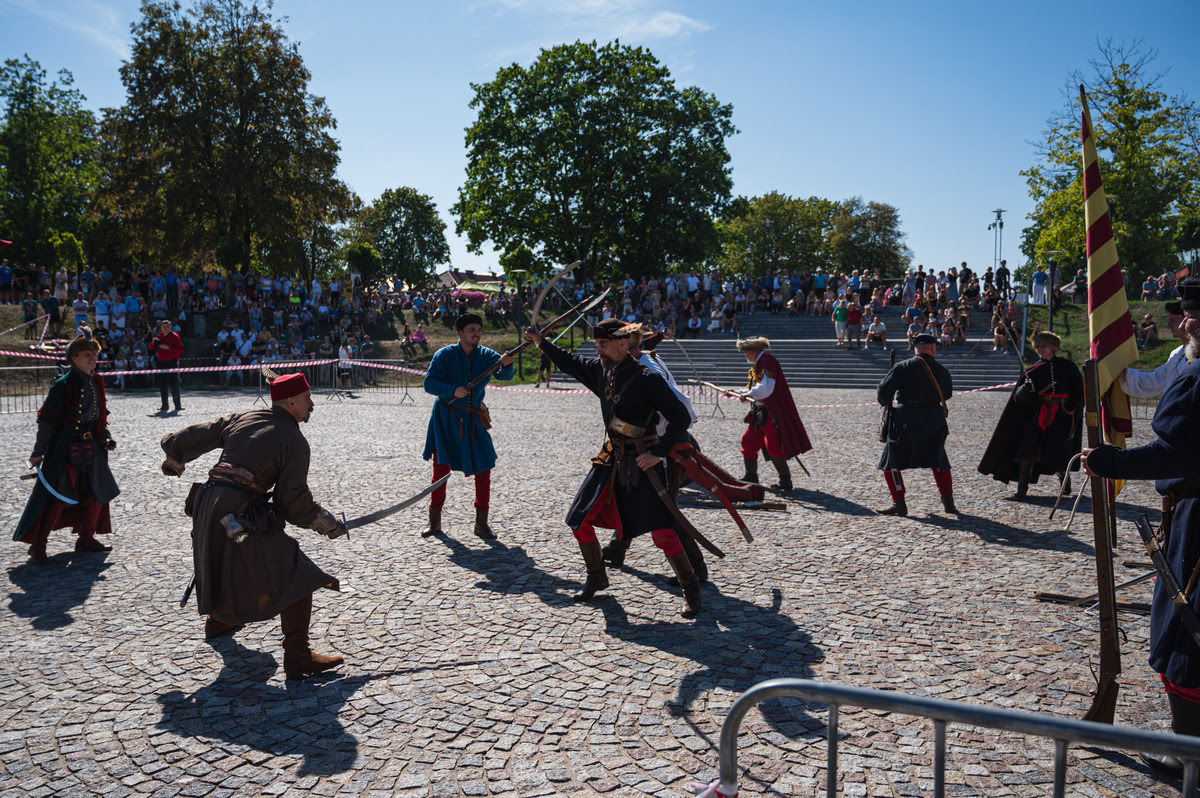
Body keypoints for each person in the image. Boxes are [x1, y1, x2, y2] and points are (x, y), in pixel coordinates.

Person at [1080, 279, 1200, 777]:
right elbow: (1150, 387)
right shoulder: (1186, 363)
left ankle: (1189, 752)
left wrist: (1108, 460)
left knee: (1186, 629)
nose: (1186, 322)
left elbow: (1177, 452)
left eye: (1194, 315)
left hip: (1198, 518)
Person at [159, 372, 348, 680]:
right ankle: (298, 657)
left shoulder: (246, 417)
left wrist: (176, 452)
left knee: (226, 562)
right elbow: (292, 502)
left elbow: (204, 431)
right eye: (307, 399)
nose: (311, 405)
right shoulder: (293, 440)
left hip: (208, 502)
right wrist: (327, 524)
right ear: (291, 402)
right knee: (296, 571)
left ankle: (219, 621)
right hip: (237, 508)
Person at [524, 318, 701, 617]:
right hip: (611, 459)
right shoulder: (601, 372)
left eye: (603, 345)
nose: (599, 351)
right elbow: (570, 362)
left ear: (623, 344)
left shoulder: (647, 378)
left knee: (662, 534)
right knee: (578, 520)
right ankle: (597, 577)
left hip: (643, 462)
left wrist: (658, 453)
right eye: (597, 345)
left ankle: (691, 589)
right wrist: (542, 343)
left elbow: (680, 417)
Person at [13, 328, 120, 562]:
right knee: (59, 495)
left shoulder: (95, 382)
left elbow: (99, 416)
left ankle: (85, 538)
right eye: (86, 355)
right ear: (74, 358)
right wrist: (37, 453)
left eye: (94, 354)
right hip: (64, 449)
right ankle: (38, 545)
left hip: (91, 447)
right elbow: (47, 421)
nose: (92, 358)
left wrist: (106, 437)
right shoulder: (63, 385)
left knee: (97, 492)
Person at [422, 313, 514, 540]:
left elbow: (504, 375)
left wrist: (508, 365)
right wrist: (453, 390)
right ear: (460, 333)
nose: (476, 333)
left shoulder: (487, 355)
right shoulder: (444, 355)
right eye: (472, 329)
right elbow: (429, 383)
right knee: (440, 472)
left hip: (474, 419)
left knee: (484, 468)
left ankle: (481, 524)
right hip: (446, 418)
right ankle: (434, 523)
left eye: (479, 330)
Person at [978, 331, 1083, 500]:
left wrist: (1072, 407)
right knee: (1027, 450)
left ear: (1053, 347)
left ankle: (1065, 486)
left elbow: (1078, 392)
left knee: (1059, 451)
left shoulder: (1067, 367)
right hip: (1037, 414)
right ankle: (1021, 490)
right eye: (1038, 346)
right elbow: (1019, 400)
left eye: (1044, 346)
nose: (1040, 349)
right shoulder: (1033, 370)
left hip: (1061, 416)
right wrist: (1025, 392)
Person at [876, 332, 955, 516]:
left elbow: (882, 392)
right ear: (933, 348)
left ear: (914, 348)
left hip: (906, 419)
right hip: (934, 418)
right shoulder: (942, 370)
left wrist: (887, 400)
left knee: (891, 462)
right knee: (939, 461)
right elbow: (948, 394)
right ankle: (948, 503)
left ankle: (899, 504)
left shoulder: (902, 367)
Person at [734, 336, 813, 491]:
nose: (745, 355)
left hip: (771, 413)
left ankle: (785, 481)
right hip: (759, 414)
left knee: (773, 446)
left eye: (745, 352)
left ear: (752, 350)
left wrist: (748, 394)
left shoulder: (767, 361)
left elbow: (765, 390)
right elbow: (755, 388)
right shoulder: (760, 363)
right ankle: (751, 476)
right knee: (748, 442)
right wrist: (737, 392)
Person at [1121, 301, 1189, 398]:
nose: (1168, 326)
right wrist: (1124, 375)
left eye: (1173, 321)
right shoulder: (1177, 353)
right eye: (1169, 321)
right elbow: (1156, 380)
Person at [152, 319, 184, 413]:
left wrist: (168, 348)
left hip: (171, 362)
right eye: (163, 327)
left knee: (174, 384)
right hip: (161, 363)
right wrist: (153, 343)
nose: (165, 328)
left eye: (167, 326)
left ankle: (178, 406)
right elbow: (151, 347)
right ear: (161, 328)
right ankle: (164, 406)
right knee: (162, 385)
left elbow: (180, 350)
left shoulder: (175, 337)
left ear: (170, 327)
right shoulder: (159, 337)